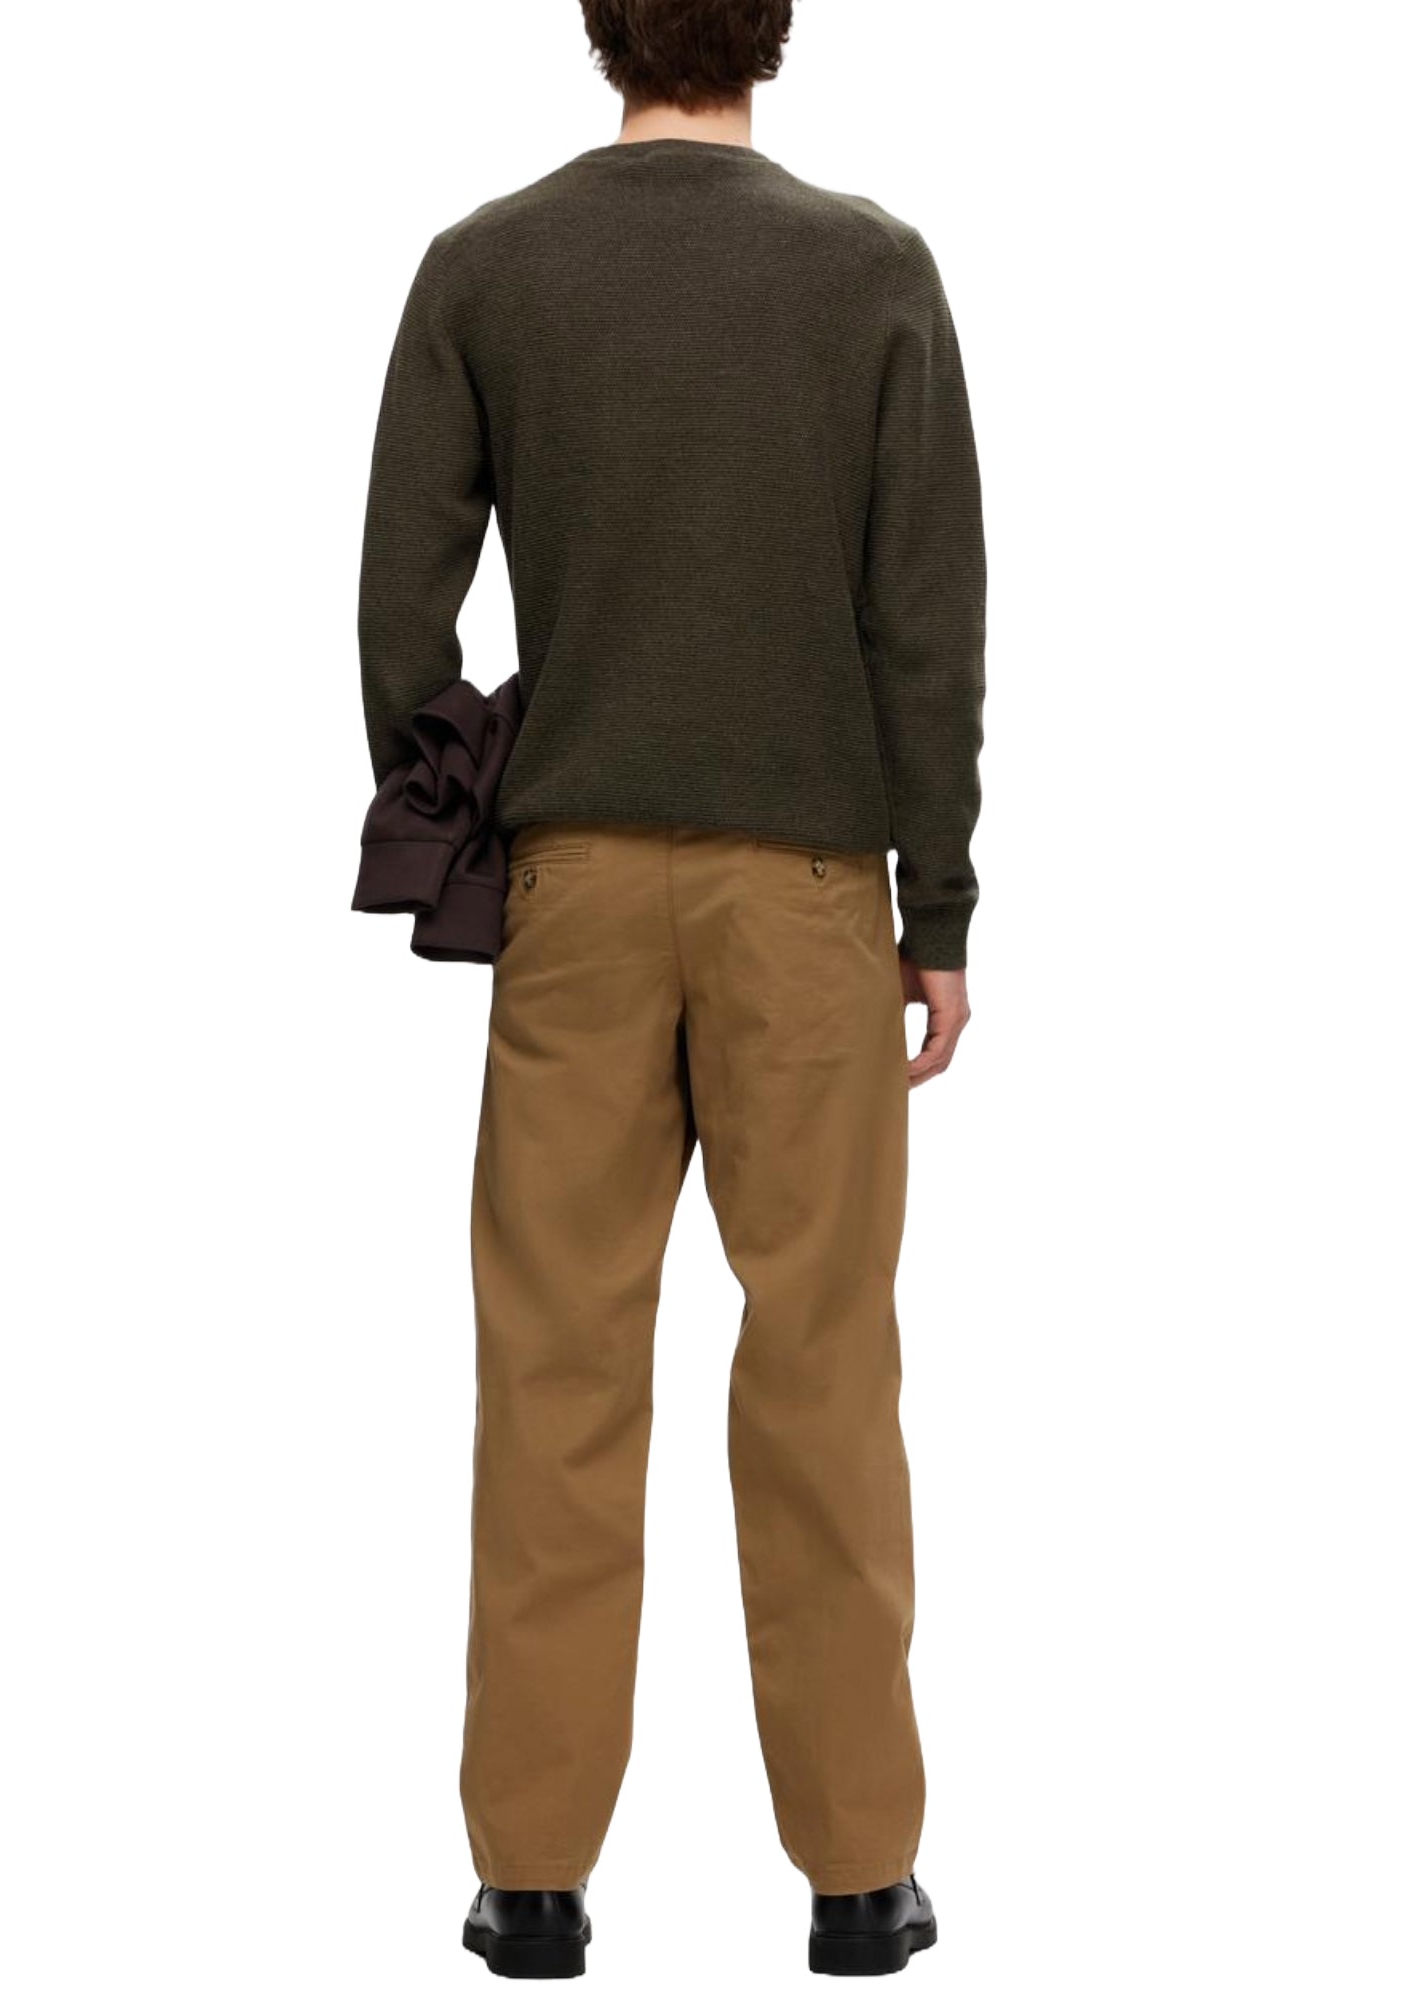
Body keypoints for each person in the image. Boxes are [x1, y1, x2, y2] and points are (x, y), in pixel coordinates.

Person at [354, 0, 986, 1977]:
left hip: (575, 896)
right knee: (824, 1372)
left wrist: (446, 793)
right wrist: (939, 907)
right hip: (812, 898)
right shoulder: (872, 274)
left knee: (554, 1372)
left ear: (599, 25)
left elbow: (399, 598)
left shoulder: (488, 267)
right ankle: (860, 1882)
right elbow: (925, 625)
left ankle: (532, 1881)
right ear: (771, 32)